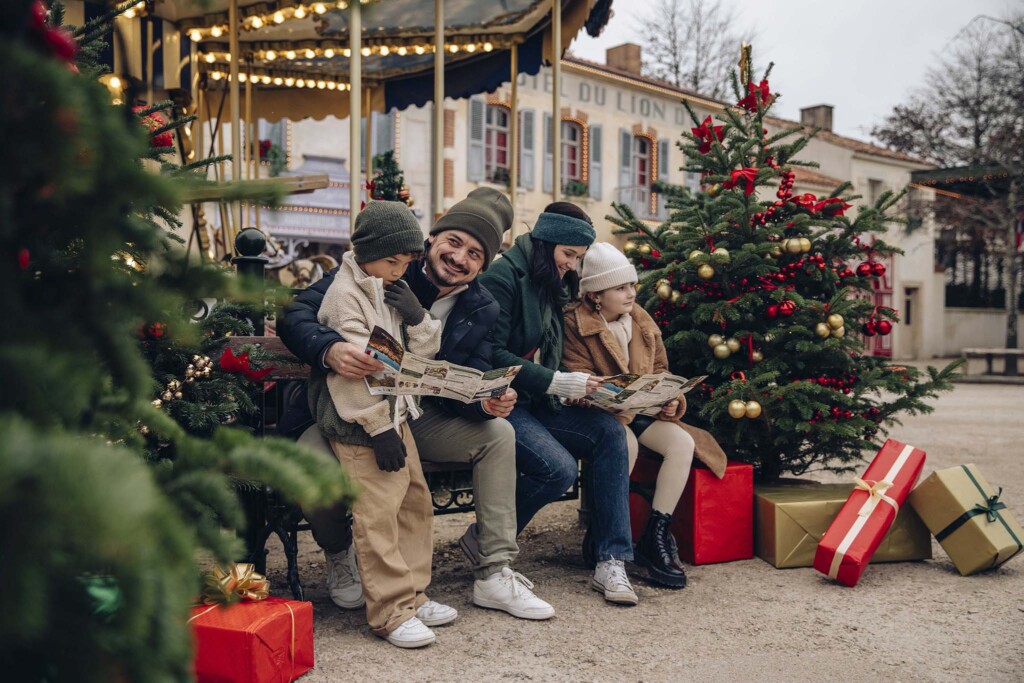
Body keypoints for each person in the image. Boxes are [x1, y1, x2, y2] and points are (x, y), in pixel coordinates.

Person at [279, 188, 554, 626]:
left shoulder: (480, 306)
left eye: (475, 253)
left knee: (499, 435)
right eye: (454, 242)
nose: (459, 257)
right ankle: (340, 553)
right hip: (346, 411)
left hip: (417, 416)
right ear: (433, 240)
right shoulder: (381, 267)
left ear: (484, 265)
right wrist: (329, 350)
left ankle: (493, 570)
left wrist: (487, 401)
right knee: (315, 464)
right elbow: (296, 315)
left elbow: (474, 372)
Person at [478, 204, 640, 606]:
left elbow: (549, 349)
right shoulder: (504, 276)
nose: (572, 265)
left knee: (609, 433)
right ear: (544, 243)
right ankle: (486, 542)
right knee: (558, 468)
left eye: (578, 258)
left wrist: (573, 388)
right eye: (568, 254)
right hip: (506, 400)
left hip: (539, 399)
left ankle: (611, 561)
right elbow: (492, 352)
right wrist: (557, 381)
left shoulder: (549, 277)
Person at [308, 200, 447, 648]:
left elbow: (417, 358)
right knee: (377, 515)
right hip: (363, 427)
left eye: (408, 262)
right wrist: (378, 429)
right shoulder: (345, 296)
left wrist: (418, 317)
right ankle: (389, 611)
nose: (401, 270)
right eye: (394, 260)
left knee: (414, 504)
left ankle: (413, 594)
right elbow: (350, 375)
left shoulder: (387, 286)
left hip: (397, 415)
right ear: (367, 250)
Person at [561, 242, 728, 587]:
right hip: (602, 416)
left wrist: (671, 401)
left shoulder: (641, 319)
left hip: (640, 411)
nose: (631, 293)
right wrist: (602, 394)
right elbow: (574, 378)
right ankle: (604, 533)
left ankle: (656, 534)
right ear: (595, 294)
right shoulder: (575, 324)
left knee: (681, 442)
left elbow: (663, 372)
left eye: (633, 285)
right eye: (620, 287)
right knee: (624, 445)